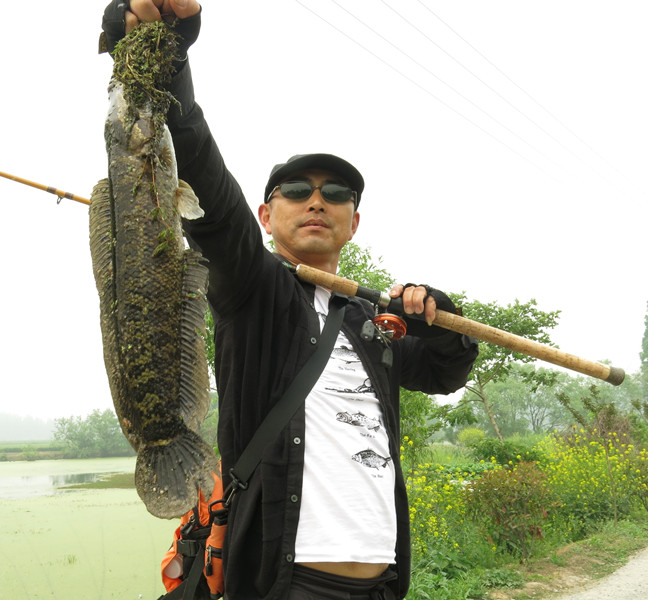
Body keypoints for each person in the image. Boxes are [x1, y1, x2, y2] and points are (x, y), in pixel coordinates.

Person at [101, 2, 478, 599]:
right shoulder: (254, 288)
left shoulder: (370, 322)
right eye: (297, 190)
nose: (316, 201)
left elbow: (443, 372)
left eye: (336, 194)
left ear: (354, 223)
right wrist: (168, 44)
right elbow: (196, 155)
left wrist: (436, 313)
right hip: (287, 581)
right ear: (264, 214)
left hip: (384, 581)